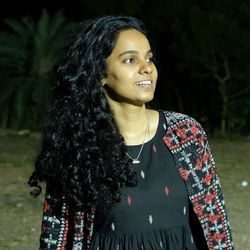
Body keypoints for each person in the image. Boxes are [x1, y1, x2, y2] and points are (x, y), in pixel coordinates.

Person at [28, 15, 234, 250]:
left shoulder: (186, 132)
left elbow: (216, 220)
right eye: (130, 60)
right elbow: (57, 235)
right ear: (100, 73)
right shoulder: (78, 145)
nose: (147, 68)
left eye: (149, 58)